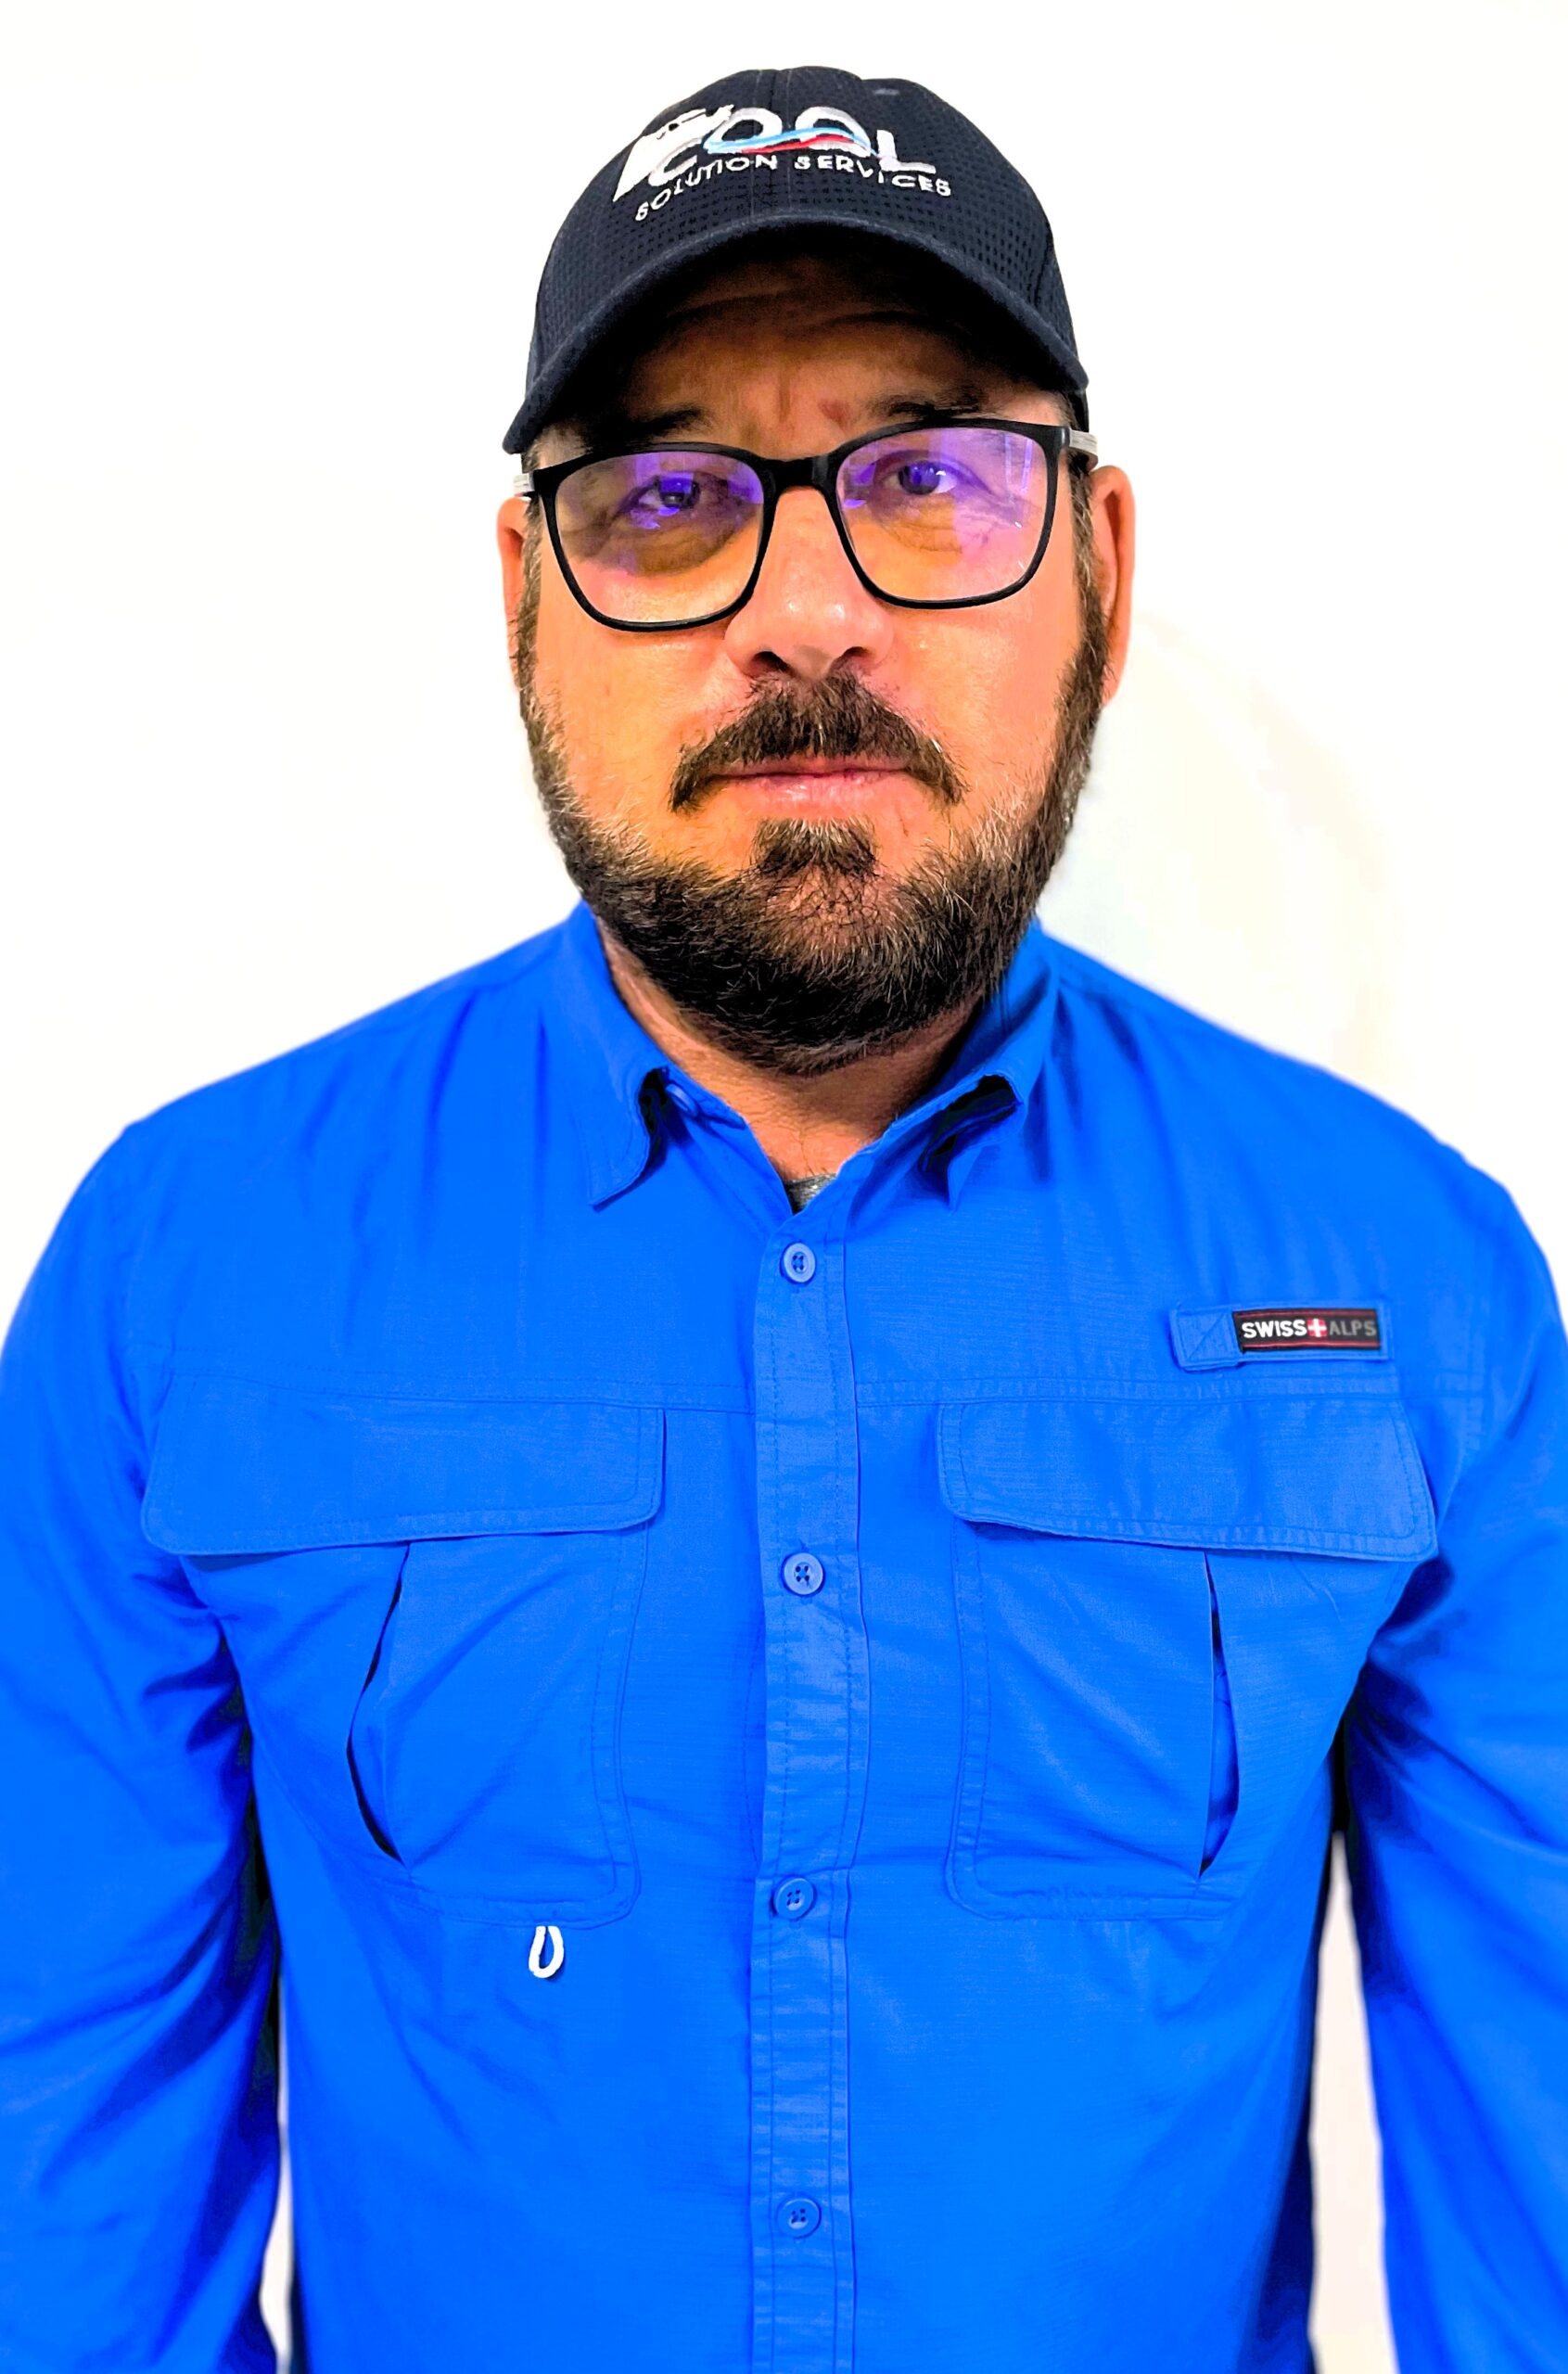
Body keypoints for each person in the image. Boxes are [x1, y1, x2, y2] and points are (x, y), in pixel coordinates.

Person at [1, 61, 1564, 2374]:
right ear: (529, 598)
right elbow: (67, 2219)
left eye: (929, 481)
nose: (805, 612)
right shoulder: (182, 1276)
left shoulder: (1419, 1285)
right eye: (667, 501)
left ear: (1102, 577)